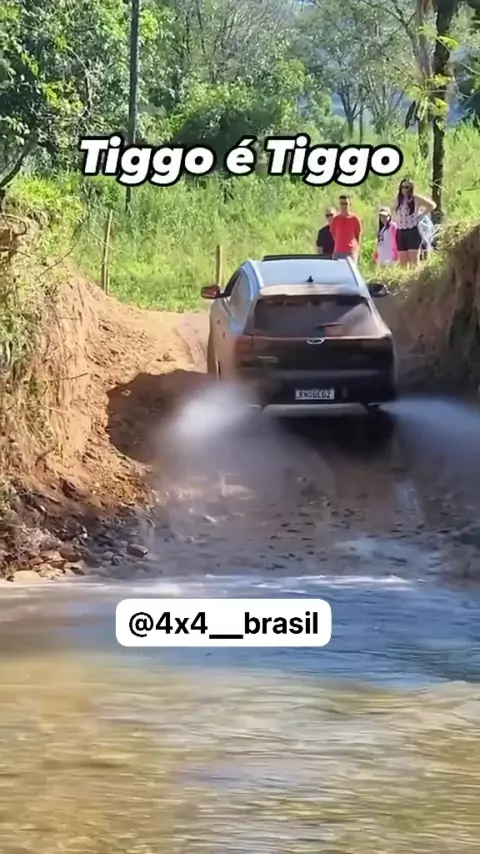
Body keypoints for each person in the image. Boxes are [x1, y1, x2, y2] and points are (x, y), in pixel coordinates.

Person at [392, 177, 436, 266]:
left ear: (411, 188)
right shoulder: (398, 200)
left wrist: (421, 215)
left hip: (412, 230)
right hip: (401, 231)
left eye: (407, 187)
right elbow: (392, 210)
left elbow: (432, 205)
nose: (404, 190)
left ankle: (416, 274)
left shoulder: (416, 198)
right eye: (402, 187)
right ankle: (404, 275)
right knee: (403, 262)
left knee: (414, 261)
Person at [329, 195, 361, 262]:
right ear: (339, 205)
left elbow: (357, 235)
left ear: (349, 204)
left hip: (351, 252)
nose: (344, 206)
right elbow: (334, 234)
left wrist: (356, 249)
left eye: (346, 203)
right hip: (338, 251)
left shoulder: (354, 219)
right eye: (342, 204)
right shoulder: (335, 220)